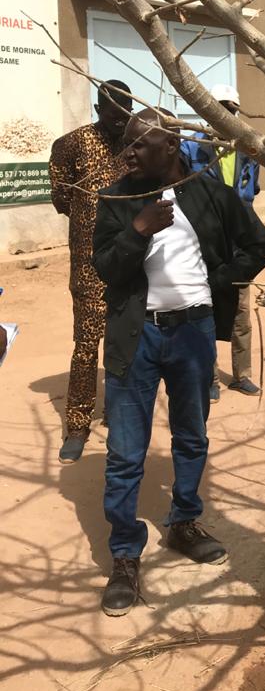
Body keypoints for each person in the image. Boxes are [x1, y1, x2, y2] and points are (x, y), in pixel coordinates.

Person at [92, 108, 265, 616]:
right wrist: (139, 228)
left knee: (191, 435)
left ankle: (183, 523)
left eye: (137, 146)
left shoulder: (210, 194)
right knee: (126, 453)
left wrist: (214, 285)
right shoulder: (117, 198)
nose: (125, 154)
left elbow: (261, 244)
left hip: (192, 334)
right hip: (138, 335)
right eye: (125, 145)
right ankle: (126, 556)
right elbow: (106, 267)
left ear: (170, 147)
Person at [49, 79, 133, 463]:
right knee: (86, 345)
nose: (122, 118)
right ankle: (78, 424)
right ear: (99, 109)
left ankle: (119, 414)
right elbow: (62, 198)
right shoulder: (71, 145)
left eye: (127, 110)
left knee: (126, 343)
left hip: (132, 260)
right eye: (114, 111)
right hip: (88, 264)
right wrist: (89, 224)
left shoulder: (137, 144)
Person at [181, 83, 261, 401]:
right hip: (205, 245)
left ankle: (242, 375)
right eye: (219, 109)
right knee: (207, 308)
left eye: (231, 110)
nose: (225, 116)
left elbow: (251, 191)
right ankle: (209, 377)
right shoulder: (192, 148)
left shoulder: (248, 149)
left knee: (241, 310)